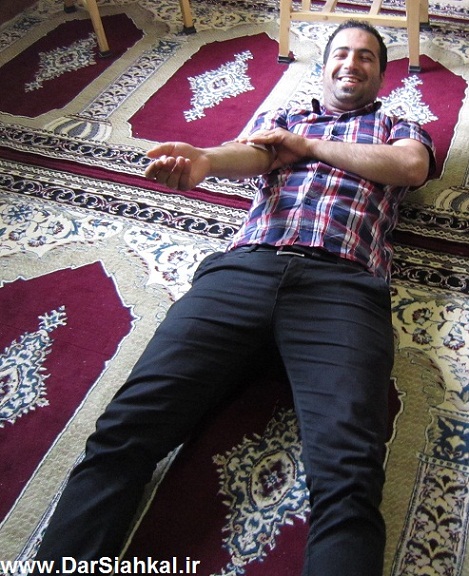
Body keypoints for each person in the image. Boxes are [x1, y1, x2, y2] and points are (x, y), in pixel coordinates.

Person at [33, 20, 435, 575]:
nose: (351, 63)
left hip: (343, 285)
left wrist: (309, 147)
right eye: (341, 52)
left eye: (366, 56)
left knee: (349, 476)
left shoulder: (397, 125)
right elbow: (255, 156)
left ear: (381, 75)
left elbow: (411, 167)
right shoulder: (286, 116)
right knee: (122, 433)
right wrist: (205, 159)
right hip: (243, 272)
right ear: (324, 67)